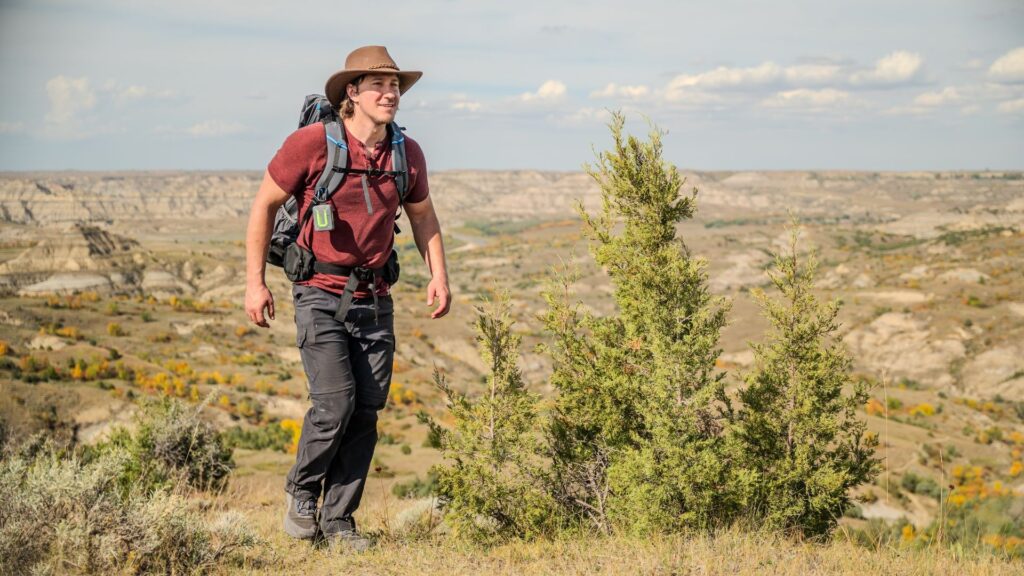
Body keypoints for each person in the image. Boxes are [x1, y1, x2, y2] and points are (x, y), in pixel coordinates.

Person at [243, 45, 450, 551]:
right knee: (335, 403)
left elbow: (422, 216)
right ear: (351, 93)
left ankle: (338, 521)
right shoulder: (312, 144)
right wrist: (254, 282)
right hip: (318, 291)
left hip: (375, 296)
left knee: (366, 412)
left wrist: (439, 275)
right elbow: (264, 205)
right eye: (379, 84)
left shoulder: (406, 152)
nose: (390, 93)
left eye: (395, 85)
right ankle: (302, 493)